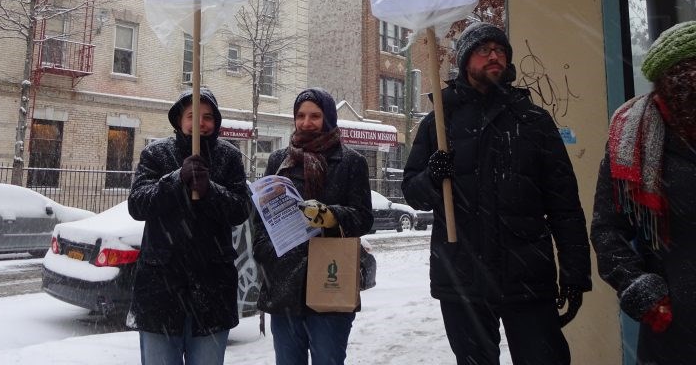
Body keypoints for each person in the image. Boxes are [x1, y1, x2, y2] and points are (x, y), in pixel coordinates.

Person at [402, 22, 592, 365]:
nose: (494, 55)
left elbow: (565, 205)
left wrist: (575, 272)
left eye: (500, 50)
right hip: (463, 277)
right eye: (483, 50)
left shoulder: (533, 121)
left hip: (527, 277)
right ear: (464, 61)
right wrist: (432, 177)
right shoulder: (439, 123)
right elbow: (412, 193)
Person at [591, 20, 696, 364]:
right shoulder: (631, 141)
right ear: (666, 81)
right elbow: (608, 229)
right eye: (686, 70)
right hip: (674, 323)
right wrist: (636, 284)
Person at [127, 87, 251, 365]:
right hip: (160, 292)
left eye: (208, 117)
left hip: (212, 293)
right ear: (179, 120)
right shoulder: (155, 155)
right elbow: (138, 205)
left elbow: (240, 209)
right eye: (193, 116)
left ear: (216, 122)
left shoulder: (229, 157)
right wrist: (175, 180)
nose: (200, 123)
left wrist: (210, 190)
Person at [251, 87, 373, 365]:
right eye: (301, 115)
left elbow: (364, 217)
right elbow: (261, 221)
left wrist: (332, 216)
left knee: (328, 360)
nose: (306, 122)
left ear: (328, 118)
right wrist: (266, 251)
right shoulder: (278, 160)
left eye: (315, 116)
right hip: (284, 283)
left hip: (331, 280)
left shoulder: (352, 162)